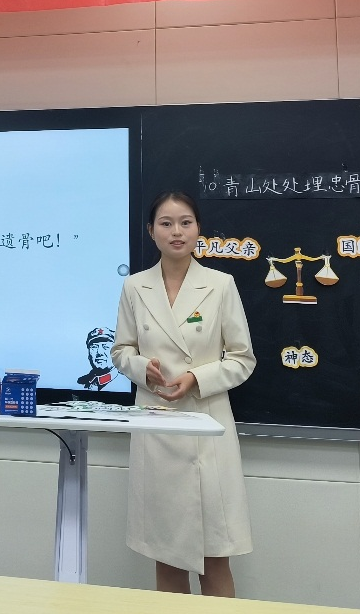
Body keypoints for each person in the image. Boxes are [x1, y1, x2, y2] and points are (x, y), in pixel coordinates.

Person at [110, 190, 256, 596]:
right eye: (166, 223)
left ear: (198, 230)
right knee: (167, 554)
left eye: (185, 223)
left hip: (206, 426)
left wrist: (196, 377)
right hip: (157, 426)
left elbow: (242, 359)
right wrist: (142, 369)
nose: (177, 231)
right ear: (151, 231)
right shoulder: (135, 287)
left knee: (215, 556)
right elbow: (121, 351)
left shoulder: (220, 285)